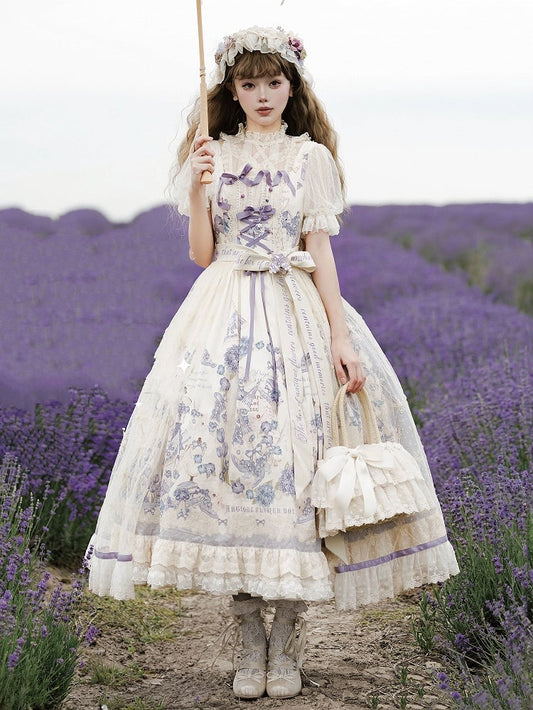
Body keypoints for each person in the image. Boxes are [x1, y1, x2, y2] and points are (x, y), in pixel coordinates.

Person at [86, 26, 459, 701]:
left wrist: (340, 337)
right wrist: (197, 189)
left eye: (273, 82)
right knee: (229, 462)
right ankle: (247, 636)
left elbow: (320, 249)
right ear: (232, 91)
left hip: (295, 312)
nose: (262, 94)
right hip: (224, 312)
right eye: (249, 83)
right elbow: (203, 255)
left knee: (295, 468)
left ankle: (285, 635)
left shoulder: (309, 157)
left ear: (292, 88)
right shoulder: (213, 152)